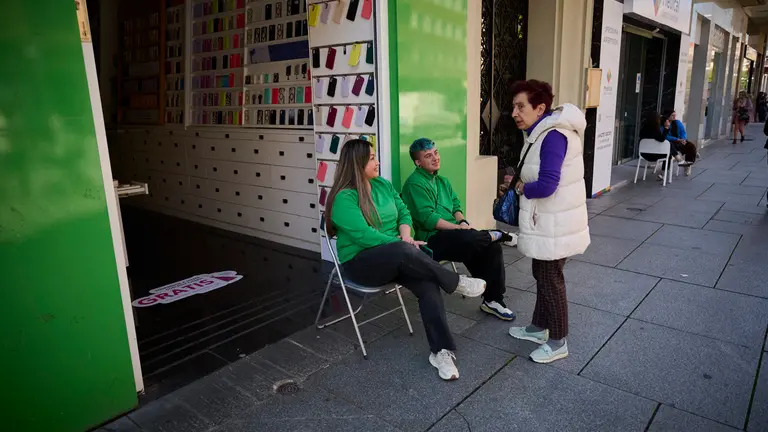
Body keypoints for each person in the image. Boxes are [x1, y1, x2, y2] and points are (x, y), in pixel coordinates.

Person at [325, 139, 487, 381]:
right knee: (408, 253)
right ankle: (456, 282)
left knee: (428, 282)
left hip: (397, 255)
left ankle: (441, 351)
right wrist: (403, 245)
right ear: (356, 162)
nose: (377, 161)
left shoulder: (382, 185)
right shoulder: (344, 198)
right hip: (361, 264)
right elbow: (365, 236)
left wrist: (406, 237)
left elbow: (404, 212)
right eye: (371, 158)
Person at [506, 80, 590, 364]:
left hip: (554, 223)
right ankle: (538, 328)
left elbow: (547, 185)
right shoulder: (540, 133)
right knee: (542, 275)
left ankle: (557, 342)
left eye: (521, 107)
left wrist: (519, 187)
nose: (515, 113)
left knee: (551, 280)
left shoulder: (552, 136)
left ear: (540, 108)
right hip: (549, 221)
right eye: (513, 107)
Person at [401, 138, 516, 321]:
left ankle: (493, 300)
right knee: (469, 239)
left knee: (490, 247)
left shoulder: (442, 181)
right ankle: (494, 235)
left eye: (436, 153)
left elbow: (456, 206)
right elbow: (428, 218)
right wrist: (459, 229)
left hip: (454, 235)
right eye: (428, 156)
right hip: (431, 240)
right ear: (418, 162)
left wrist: (463, 222)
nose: (435, 158)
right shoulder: (414, 183)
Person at [639, 112, 681, 181]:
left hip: (644, 154)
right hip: (654, 155)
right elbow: (662, 139)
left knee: (669, 145)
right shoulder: (655, 130)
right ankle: (664, 173)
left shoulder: (643, 130)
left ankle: (678, 158)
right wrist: (666, 128)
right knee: (669, 152)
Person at [663, 109, 697, 176]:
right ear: (667, 116)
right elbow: (665, 136)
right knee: (670, 145)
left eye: (675, 115)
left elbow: (683, 132)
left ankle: (688, 165)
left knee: (691, 146)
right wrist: (677, 139)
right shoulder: (664, 124)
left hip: (680, 141)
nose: (674, 117)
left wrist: (683, 139)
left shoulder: (677, 122)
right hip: (671, 142)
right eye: (672, 115)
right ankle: (680, 160)